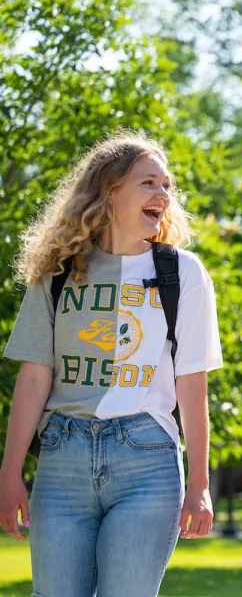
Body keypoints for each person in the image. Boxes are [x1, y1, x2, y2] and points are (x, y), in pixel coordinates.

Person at [0, 131, 223, 596]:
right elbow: (35, 376)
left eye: (166, 185)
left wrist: (200, 483)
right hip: (62, 457)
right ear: (109, 190)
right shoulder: (58, 272)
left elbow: (192, 383)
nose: (163, 195)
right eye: (148, 183)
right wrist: (10, 473)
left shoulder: (182, 274)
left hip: (147, 459)